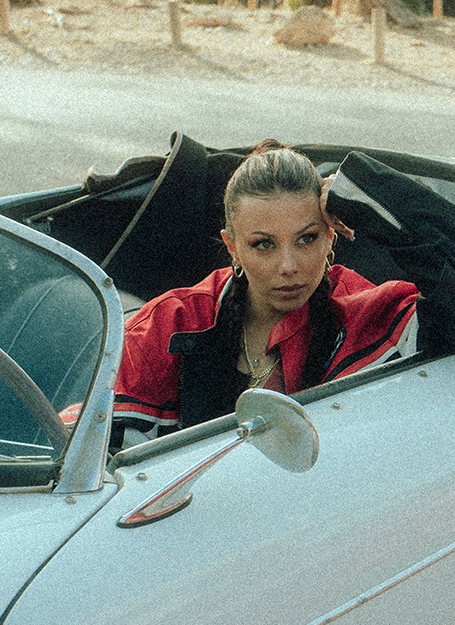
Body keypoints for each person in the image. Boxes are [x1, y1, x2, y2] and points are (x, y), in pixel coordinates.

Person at [107, 141, 419, 445]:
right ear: (233, 248)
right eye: (264, 244)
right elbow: (87, 446)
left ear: (331, 236)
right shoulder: (176, 322)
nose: (288, 266)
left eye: (307, 239)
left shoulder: (369, 311)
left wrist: (375, 196)